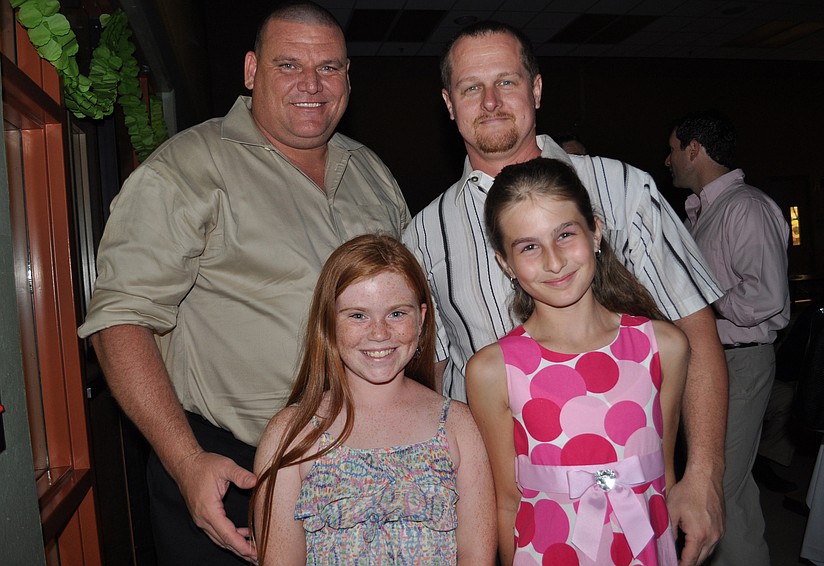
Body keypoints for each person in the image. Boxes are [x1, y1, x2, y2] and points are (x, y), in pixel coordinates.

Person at [77, 2, 410, 564]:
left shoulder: (372, 172)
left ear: (348, 78)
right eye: (289, 65)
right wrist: (185, 461)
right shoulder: (186, 167)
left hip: (365, 468)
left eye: (330, 67)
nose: (312, 84)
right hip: (233, 471)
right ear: (252, 71)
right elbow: (119, 320)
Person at [403, 21, 727, 565]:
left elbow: (695, 333)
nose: (490, 102)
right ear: (448, 103)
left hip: (633, 495)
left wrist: (705, 476)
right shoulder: (423, 234)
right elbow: (435, 378)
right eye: (470, 88)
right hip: (510, 512)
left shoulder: (624, 189)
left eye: (506, 82)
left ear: (535, 88)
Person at [466, 157, 688, 564]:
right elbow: (506, 500)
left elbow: (665, 477)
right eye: (529, 247)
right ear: (505, 263)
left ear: (596, 231)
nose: (554, 261)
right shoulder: (493, 371)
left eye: (565, 234)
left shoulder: (664, 346)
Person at [251, 234, 496, 564]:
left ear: (422, 319)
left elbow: (476, 556)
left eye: (396, 314)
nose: (379, 333)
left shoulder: (459, 426)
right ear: (328, 323)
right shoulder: (291, 435)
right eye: (357, 315)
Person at [665, 110, 790, 566]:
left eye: (674, 148)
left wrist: (698, 302)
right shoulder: (705, 212)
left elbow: (767, 296)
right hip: (717, 361)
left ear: (694, 149)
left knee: (715, 492)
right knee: (736, 492)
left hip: (741, 360)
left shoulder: (746, 207)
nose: (668, 159)